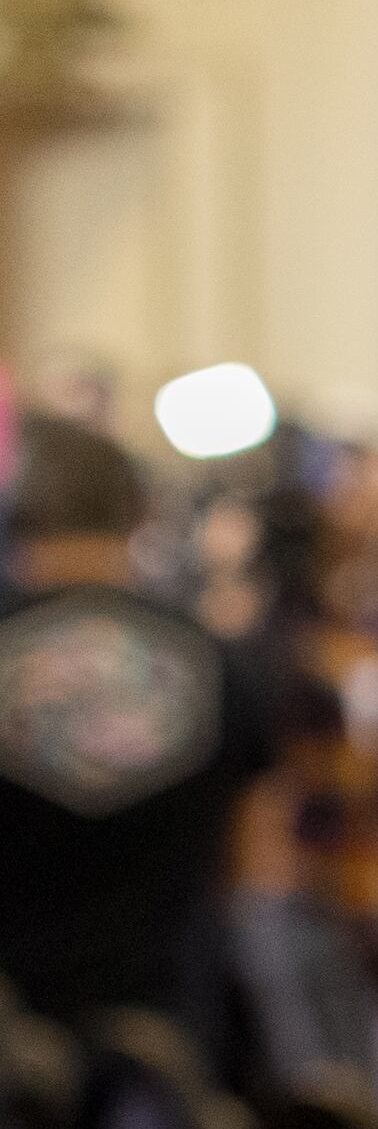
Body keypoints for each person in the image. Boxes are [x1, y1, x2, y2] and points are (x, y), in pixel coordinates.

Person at [0, 415, 285, 1047]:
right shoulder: (215, 659)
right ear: (138, 517)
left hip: (14, 1040)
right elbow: (259, 868)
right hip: (171, 1038)